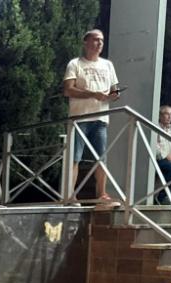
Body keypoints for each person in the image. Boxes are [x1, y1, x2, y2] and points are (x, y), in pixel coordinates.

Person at [62, 29, 120, 204]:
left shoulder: (108, 65)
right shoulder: (75, 63)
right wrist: (92, 94)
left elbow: (115, 89)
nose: (99, 43)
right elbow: (68, 90)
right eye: (95, 39)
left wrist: (114, 95)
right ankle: (70, 195)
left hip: (101, 118)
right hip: (79, 118)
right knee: (75, 157)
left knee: (101, 158)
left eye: (101, 40)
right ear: (85, 42)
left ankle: (101, 194)